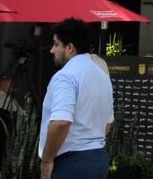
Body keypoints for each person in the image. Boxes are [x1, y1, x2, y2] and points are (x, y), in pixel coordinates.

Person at [39, 17, 115, 179]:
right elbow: (108, 124)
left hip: (70, 162)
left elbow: (60, 122)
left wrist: (46, 161)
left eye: (56, 44)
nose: (52, 50)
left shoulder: (66, 76)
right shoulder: (101, 74)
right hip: (98, 160)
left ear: (70, 48)